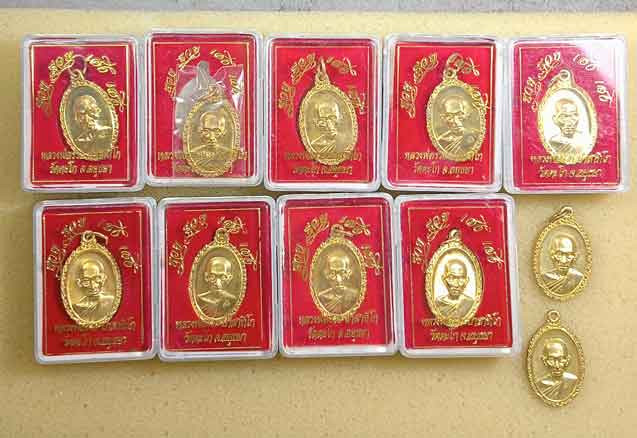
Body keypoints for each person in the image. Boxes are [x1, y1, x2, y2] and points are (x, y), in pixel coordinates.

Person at [317, 250, 359, 315]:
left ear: (348, 273)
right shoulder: (322, 297)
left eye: (342, 273)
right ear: (327, 274)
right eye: (333, 273)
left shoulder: (355, 296)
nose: (338, 280)